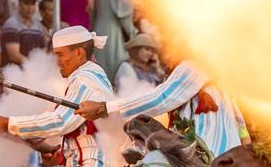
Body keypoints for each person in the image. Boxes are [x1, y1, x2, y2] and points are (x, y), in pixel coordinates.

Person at [0, 26, 119, 167]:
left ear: (80, 53)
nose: (57, 62)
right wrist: (59, 153)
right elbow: (77, 129)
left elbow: (60, 122)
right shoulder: (85, 77)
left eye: (61, 55)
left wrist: (8, 123)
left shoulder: (85, 79)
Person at [77, 52, 247, 157]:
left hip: (207, 158)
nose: (165, 53)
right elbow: (240, 124)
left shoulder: (194, 65)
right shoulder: (208, 67)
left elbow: (162, 99)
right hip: (219, 159)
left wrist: (104, 107)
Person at [0, 0, 47, 65]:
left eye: (33, 4)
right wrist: (32, 66)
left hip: (31, 68)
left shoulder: (38, 25)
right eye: (27, 3)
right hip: (13, 69)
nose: (30, 7)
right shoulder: (12, 23)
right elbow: (14, 56)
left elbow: (43, 50)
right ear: (19, 4)